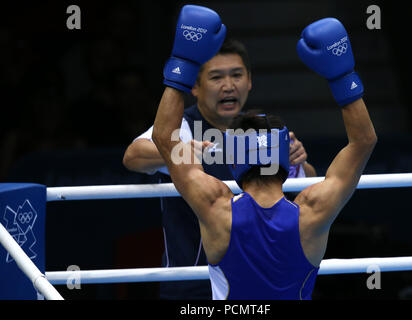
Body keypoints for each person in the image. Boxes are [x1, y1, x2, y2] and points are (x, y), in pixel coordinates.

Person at [152, 6, 376, 299]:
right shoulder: (312, 211)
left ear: (233, 159)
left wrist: (182, 65)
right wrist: (343, 76)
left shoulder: (216, 207)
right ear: (285, 157)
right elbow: (363, 141)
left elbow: (164, 139)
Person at [122, 7, 316, 299]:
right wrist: (178, 152)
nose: (228, 85)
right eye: (216, 77)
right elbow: (133, 156)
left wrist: (299, 160)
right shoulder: (182, 127)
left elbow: (305, 186)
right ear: (196, 87)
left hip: (253, 283)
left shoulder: (260, 131)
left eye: (236, 75)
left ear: (249, 81)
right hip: (190, 283)